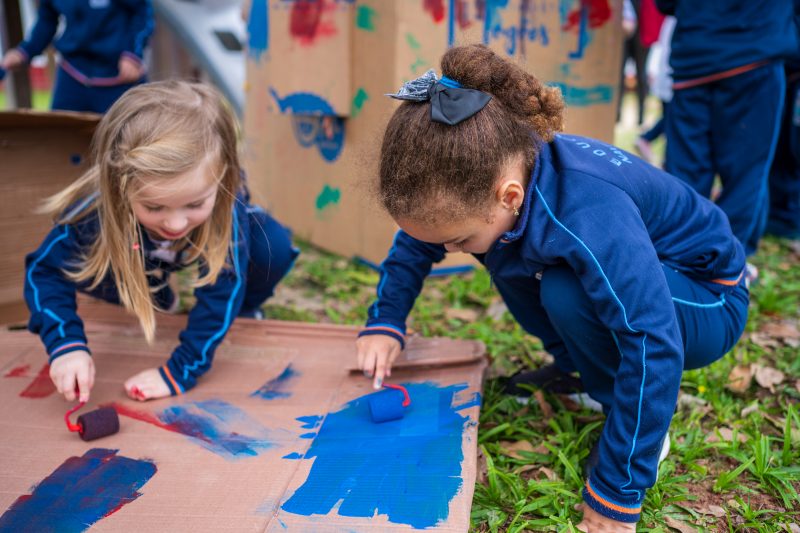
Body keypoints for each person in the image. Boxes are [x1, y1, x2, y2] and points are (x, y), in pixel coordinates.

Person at [355, 44, 748, 530]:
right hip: (641, 279)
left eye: (457, 241)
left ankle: (640, 426)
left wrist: (616, 493)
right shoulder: (493, 180)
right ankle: (580, 375)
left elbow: (653, 339)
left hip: (707, 296)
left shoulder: (588, 214)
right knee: (517, 256)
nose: (450, 250)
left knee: (565, 286)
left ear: (510, 195)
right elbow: (418, 243)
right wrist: (386, 322)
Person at [25, 80, 298, 403]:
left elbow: (223, 289)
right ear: (119, 187)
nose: (175, 223)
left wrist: (179, 372)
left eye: (194, 204)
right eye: (155, 206)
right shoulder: (93, 216)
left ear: (223, 176)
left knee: (273, 246)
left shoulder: (226, 203)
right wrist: (65, 345)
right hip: (134, 250)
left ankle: (244, 311)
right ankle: (154, 291)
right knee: (89, 258)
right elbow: (43, 273)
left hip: (191, 245)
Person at [656, 0, 798, 261]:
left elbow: (664, 4)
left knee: (687, 171)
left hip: (697, 55)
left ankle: (682, 257)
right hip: (756, 52)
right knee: (746, 173)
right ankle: (726, 263)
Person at [1, 0, 154, 113]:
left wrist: (132, 55)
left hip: (117, 77)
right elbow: (47, 19)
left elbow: (143, 15)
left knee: (125, 142)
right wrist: (25, 51)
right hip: (73, 74)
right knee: (60, 137)